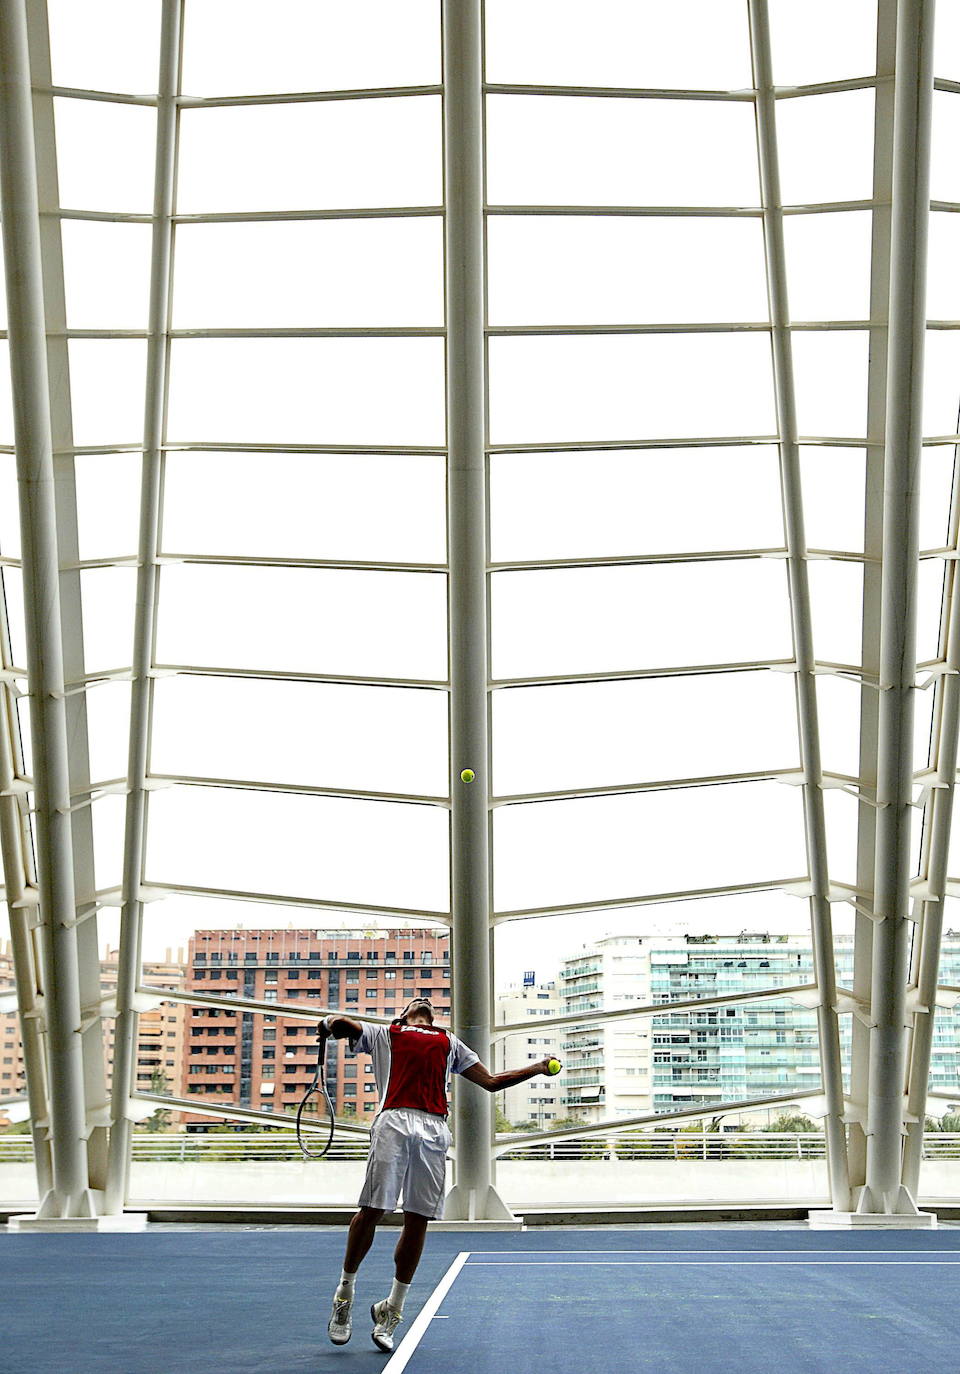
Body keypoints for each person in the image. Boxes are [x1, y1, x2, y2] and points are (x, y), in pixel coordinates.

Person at [321, 996, 559, 1353]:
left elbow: (491, 1081)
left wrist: (538, 1068)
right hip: (393, 1122)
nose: (424, 1000)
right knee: (373, 1210)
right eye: (415, 1001)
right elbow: (342, 1024)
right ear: (402, 1014)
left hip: (434, 1129)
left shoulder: (449, 1042)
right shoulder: (387, 1033)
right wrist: (326, 1025)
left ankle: (393, 1310)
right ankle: (344, 1294)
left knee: (417, 1220)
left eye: (428, 1000)